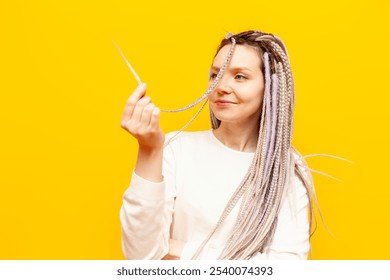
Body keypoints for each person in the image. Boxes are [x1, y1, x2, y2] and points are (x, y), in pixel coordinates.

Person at [119, 30, 314, 260]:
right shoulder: (175, 148)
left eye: (240, 76)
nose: (221, 86)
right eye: (215, 75)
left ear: (270, 88)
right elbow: (141, 255)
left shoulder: (288, 168)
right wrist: (149, 150)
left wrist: (182, 250)